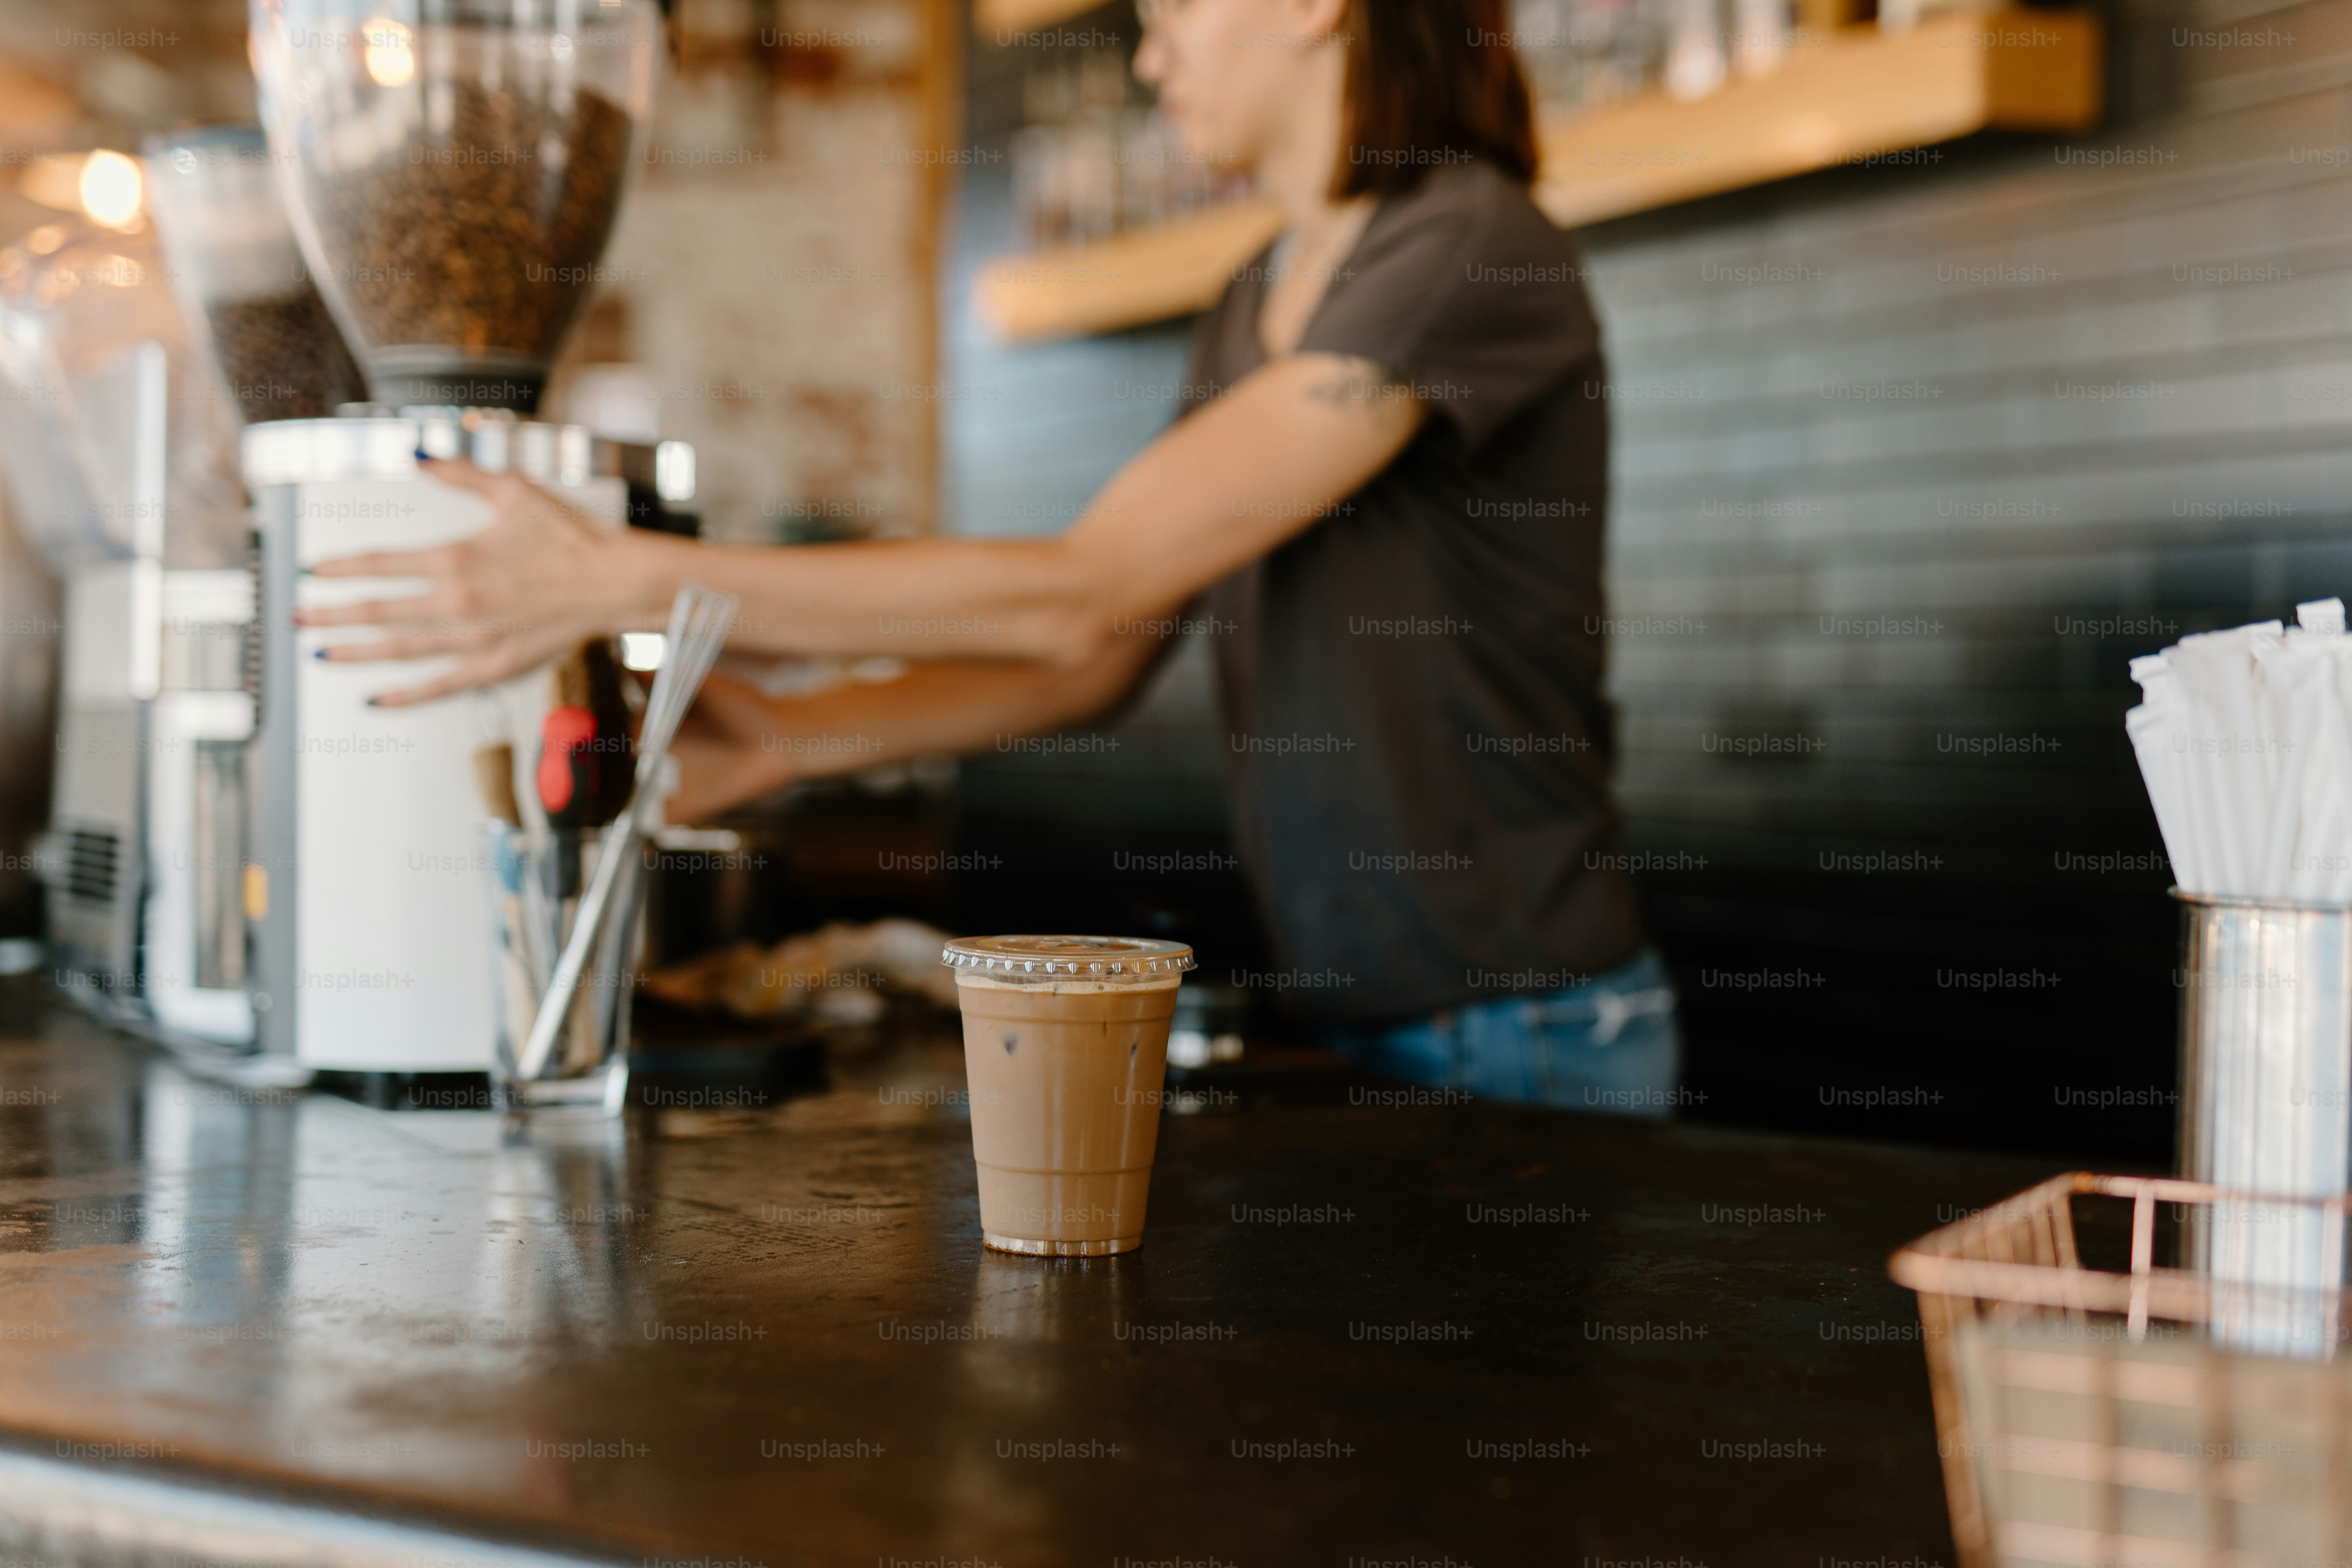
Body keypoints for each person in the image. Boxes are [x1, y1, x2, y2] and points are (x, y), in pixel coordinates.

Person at [298, 0, 1681, 1112]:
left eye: (1172, 10)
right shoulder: (1257, 298)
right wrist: (782, 737)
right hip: (1364, 1013)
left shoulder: (1470, 243)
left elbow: (1094, 577)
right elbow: (1092, 658)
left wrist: (632, 576)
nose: (1150, 53)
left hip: (1526, 1026)